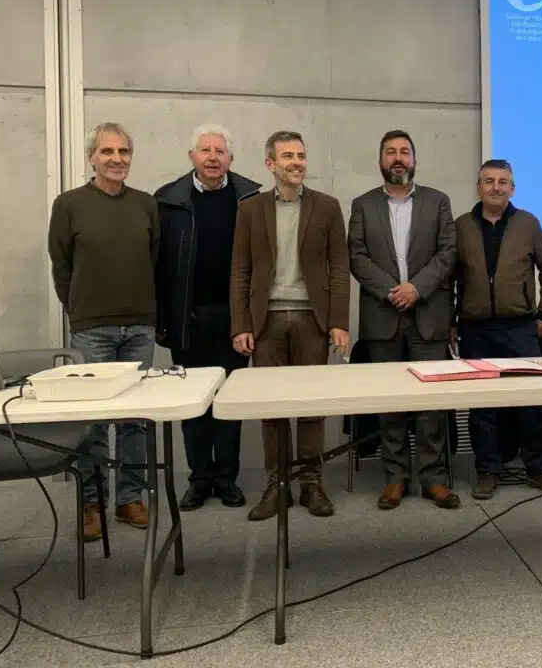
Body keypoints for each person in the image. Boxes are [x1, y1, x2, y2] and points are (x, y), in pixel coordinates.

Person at [230, 130, 350, 520]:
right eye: (288, 156)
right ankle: (277, 485)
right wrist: (241, 324)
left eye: (300, 155)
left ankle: (311, 484)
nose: (296, 162)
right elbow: (240, 271)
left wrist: (338, 321)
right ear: (271, 164)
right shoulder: (250, 210)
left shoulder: (327, 207)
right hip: (265, 323)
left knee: (311, 407)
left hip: (312, 321)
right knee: (273, 408)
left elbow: (339, 268)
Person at [47, 121, 156, 541]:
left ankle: (130, 499)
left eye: (123, 152)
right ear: (92, 157)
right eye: (107, 151)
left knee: (134, 420)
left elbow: (154, 259)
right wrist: (79, 310)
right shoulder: (69, 204)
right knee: (92, 423)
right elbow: (61, 267)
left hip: (140, 327)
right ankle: (91, 503)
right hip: (92, 329)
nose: (116, 159)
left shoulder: (146, 205)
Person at [347, 129, 461, 511]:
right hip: (383, 316)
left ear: (414, 159)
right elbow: (357, 257)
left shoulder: (438, 202)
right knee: (390, 401)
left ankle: (433, 478)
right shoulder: (362, 205)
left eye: (404, 152)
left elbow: (448, 253)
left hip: (429, 315)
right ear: (381, 160)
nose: (398, 157)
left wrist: (416, 288)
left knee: (431, 403)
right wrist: (392, 291)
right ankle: (395, 477)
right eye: (390, 152)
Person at [155, 124, 261, 511]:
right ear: (192, 157)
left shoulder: (248, 198)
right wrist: (164, 320)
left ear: (230, 158)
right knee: (194, 403)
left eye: (220, 151)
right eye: (205, 150)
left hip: (236, 318)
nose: (213, 157)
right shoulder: (168, 200)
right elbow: (158, 265)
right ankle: (199, 479)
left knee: (229, 401)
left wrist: (249, 318)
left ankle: (226, 478)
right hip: (188, 319)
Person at [452, 159, 542, 500]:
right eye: (489, 181)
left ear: (512, 188)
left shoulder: (528, 223)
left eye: (503, 181)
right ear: (478, 188)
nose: (496, 187)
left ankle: (537, 466)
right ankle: (487, 470)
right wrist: (450, 322)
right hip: (474, 328)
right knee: (481, 405)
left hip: (519, 326)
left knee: (530, 401)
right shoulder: (461, 226)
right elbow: (449, 278)